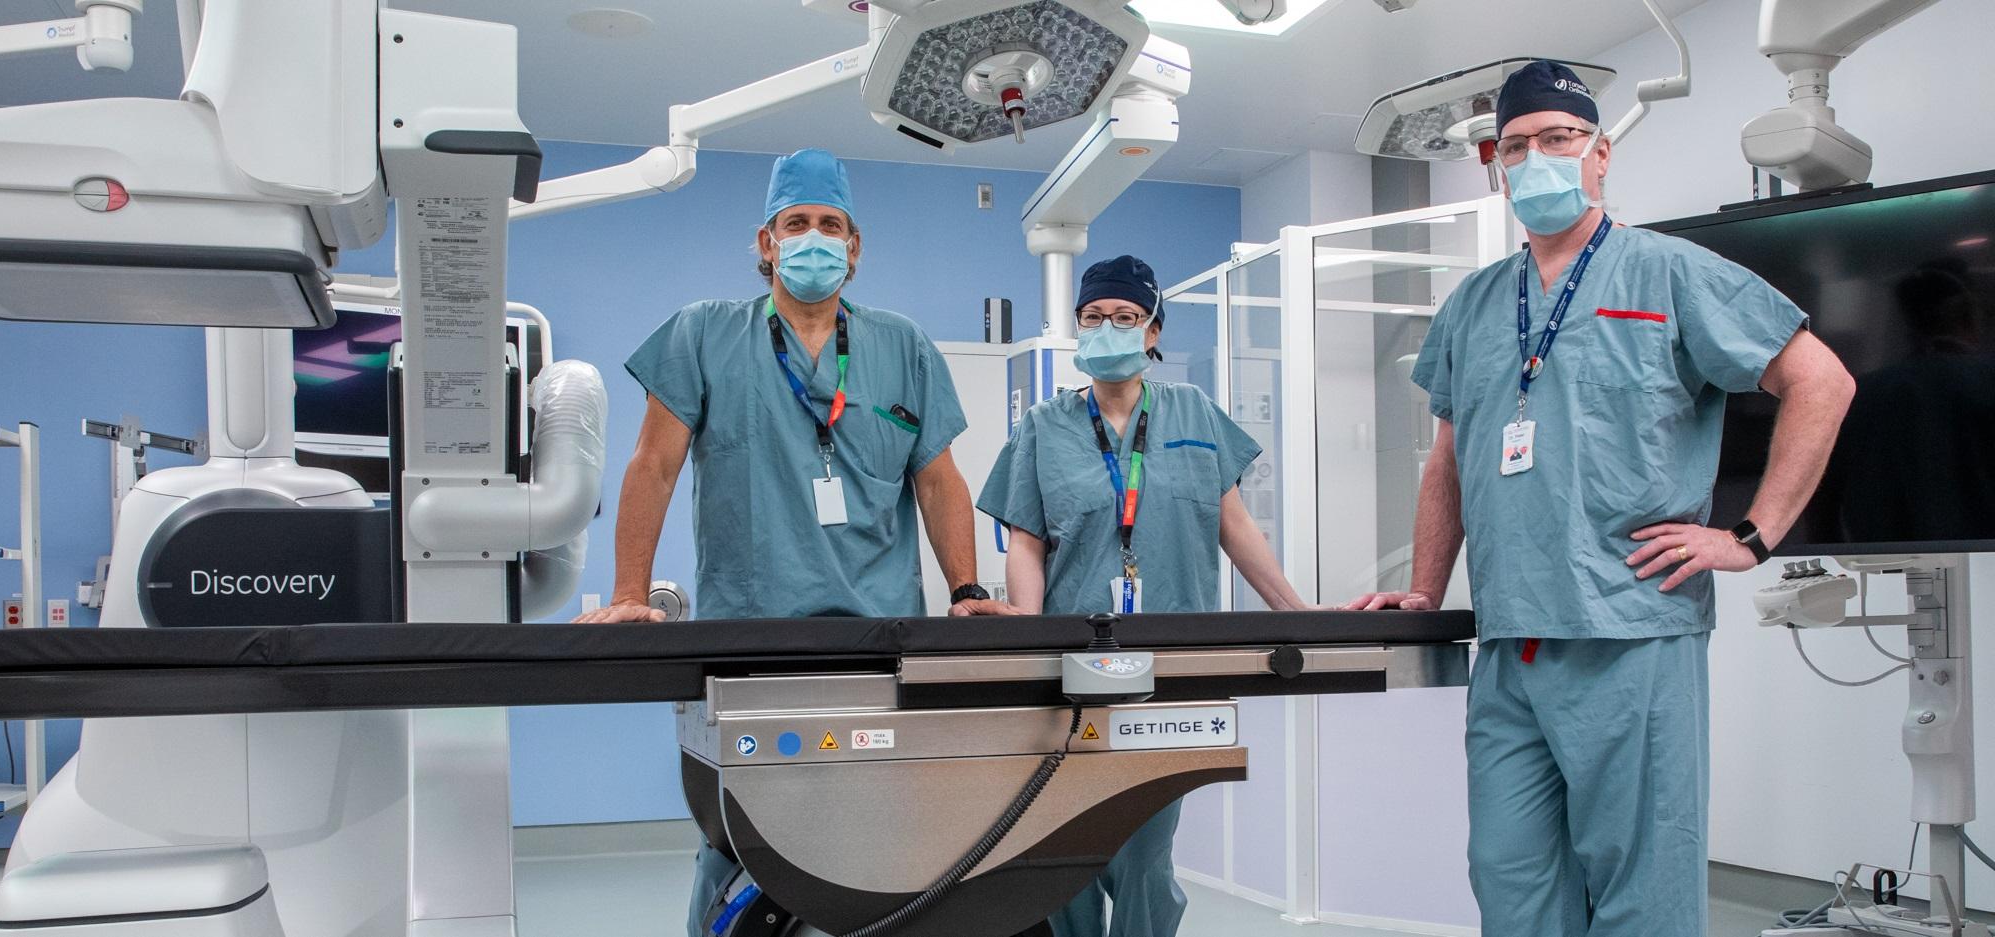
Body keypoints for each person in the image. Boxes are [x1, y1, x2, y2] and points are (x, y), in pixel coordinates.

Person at [1344, 61, 1855, 937]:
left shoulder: (1670, 273)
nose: (1536, 157)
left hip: (1631, 630)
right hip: (1512, 642)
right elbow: (1449, 458)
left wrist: (1750, 537)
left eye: (1558, 138)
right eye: (1515, 146)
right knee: (1509, 876)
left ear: (1601, 154)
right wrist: (1428, 588)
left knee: (1640, 887)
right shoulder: (1471, 306)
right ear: (1495, 167)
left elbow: (1822, 380)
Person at [572, 148, 1012, 936]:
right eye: (797, 223)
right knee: (741, 834)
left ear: (855, 247)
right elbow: (653, 465)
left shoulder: (902, 345)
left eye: (831, 225)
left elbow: (939, 481)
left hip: (878, 636)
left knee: (879, 840)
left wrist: (968, 589)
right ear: (766, 242)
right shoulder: (705, 334)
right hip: (755, 635)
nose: (815, 238)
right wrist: (631, 595)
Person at [978, 255, 1312, 937]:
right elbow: (1027, 544)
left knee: (1142, 851)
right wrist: (1027, 643)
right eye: (1094, 316)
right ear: (1076, 326)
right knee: (1063, 847)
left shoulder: (1193, 412)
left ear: (1153, 331)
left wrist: (1299, 614)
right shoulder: (1044, 426)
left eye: (1125, 317)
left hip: (1170, 670)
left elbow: (1235, 526)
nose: (1109, 328)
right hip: (1072, 671)